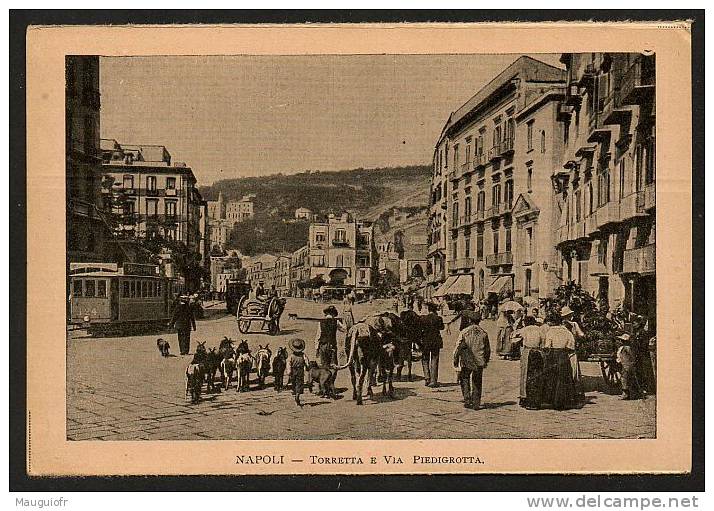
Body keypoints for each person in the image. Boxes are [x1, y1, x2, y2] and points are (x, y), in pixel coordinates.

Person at [453, 310, 490, 410]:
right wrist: (486, 360)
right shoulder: (484, 333)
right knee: (477, 381)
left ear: (470, 320)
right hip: (479, 360)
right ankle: (476, 403)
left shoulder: (465, 332)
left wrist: (455, 359)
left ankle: (467, 399)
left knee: (464, 378)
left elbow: (458, 346)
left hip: (467, 360)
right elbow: (487, 349)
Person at [542, 308, 579, 409]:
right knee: (563, 378)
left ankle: (552, 400)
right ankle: (563, 401)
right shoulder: (567, 332)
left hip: (553, 355)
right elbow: (571, 345)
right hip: (563, 355)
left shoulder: (550, 332)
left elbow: (547, 345)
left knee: (552, 378)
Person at [515, 315, 546, 409]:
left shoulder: (524, 329)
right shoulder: (540, 329)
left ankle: (524, 396)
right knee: (537, 375)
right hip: (538, 351)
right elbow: (544, 342)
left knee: (525, 374)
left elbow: (513, 337)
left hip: (528, 351)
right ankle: (537, 398)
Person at [420, 302, 445, 388]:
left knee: (425, 359)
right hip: (435, 341)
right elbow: (442, 327)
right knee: (434, 360)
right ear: (435, 310)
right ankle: (433, 381)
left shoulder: (423, 318)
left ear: (428, 309)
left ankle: (427, 378)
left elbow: (420, 329)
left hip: (425, 341)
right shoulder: (438, 318)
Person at [616, 333, 643, 400]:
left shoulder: (627, 348)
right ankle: (626, 394)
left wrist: (631, 363)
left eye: (621, 340)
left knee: (625, 379)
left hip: (627, 365)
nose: (620, 341)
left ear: (624, 341)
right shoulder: (622, 347)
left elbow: (632, 356)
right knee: (624, 378)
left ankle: (626, 394)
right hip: (624, 364)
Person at [287, 338, 310, 406]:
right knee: (299, 383)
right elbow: (307, 362)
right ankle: (297, 394)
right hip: (300, 371)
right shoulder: (303, 355)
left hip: (294, 370)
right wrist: (307, 367)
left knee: (294, 382)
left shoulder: (291, 356)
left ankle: (296, 394)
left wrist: (289, 371)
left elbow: (288, 364)